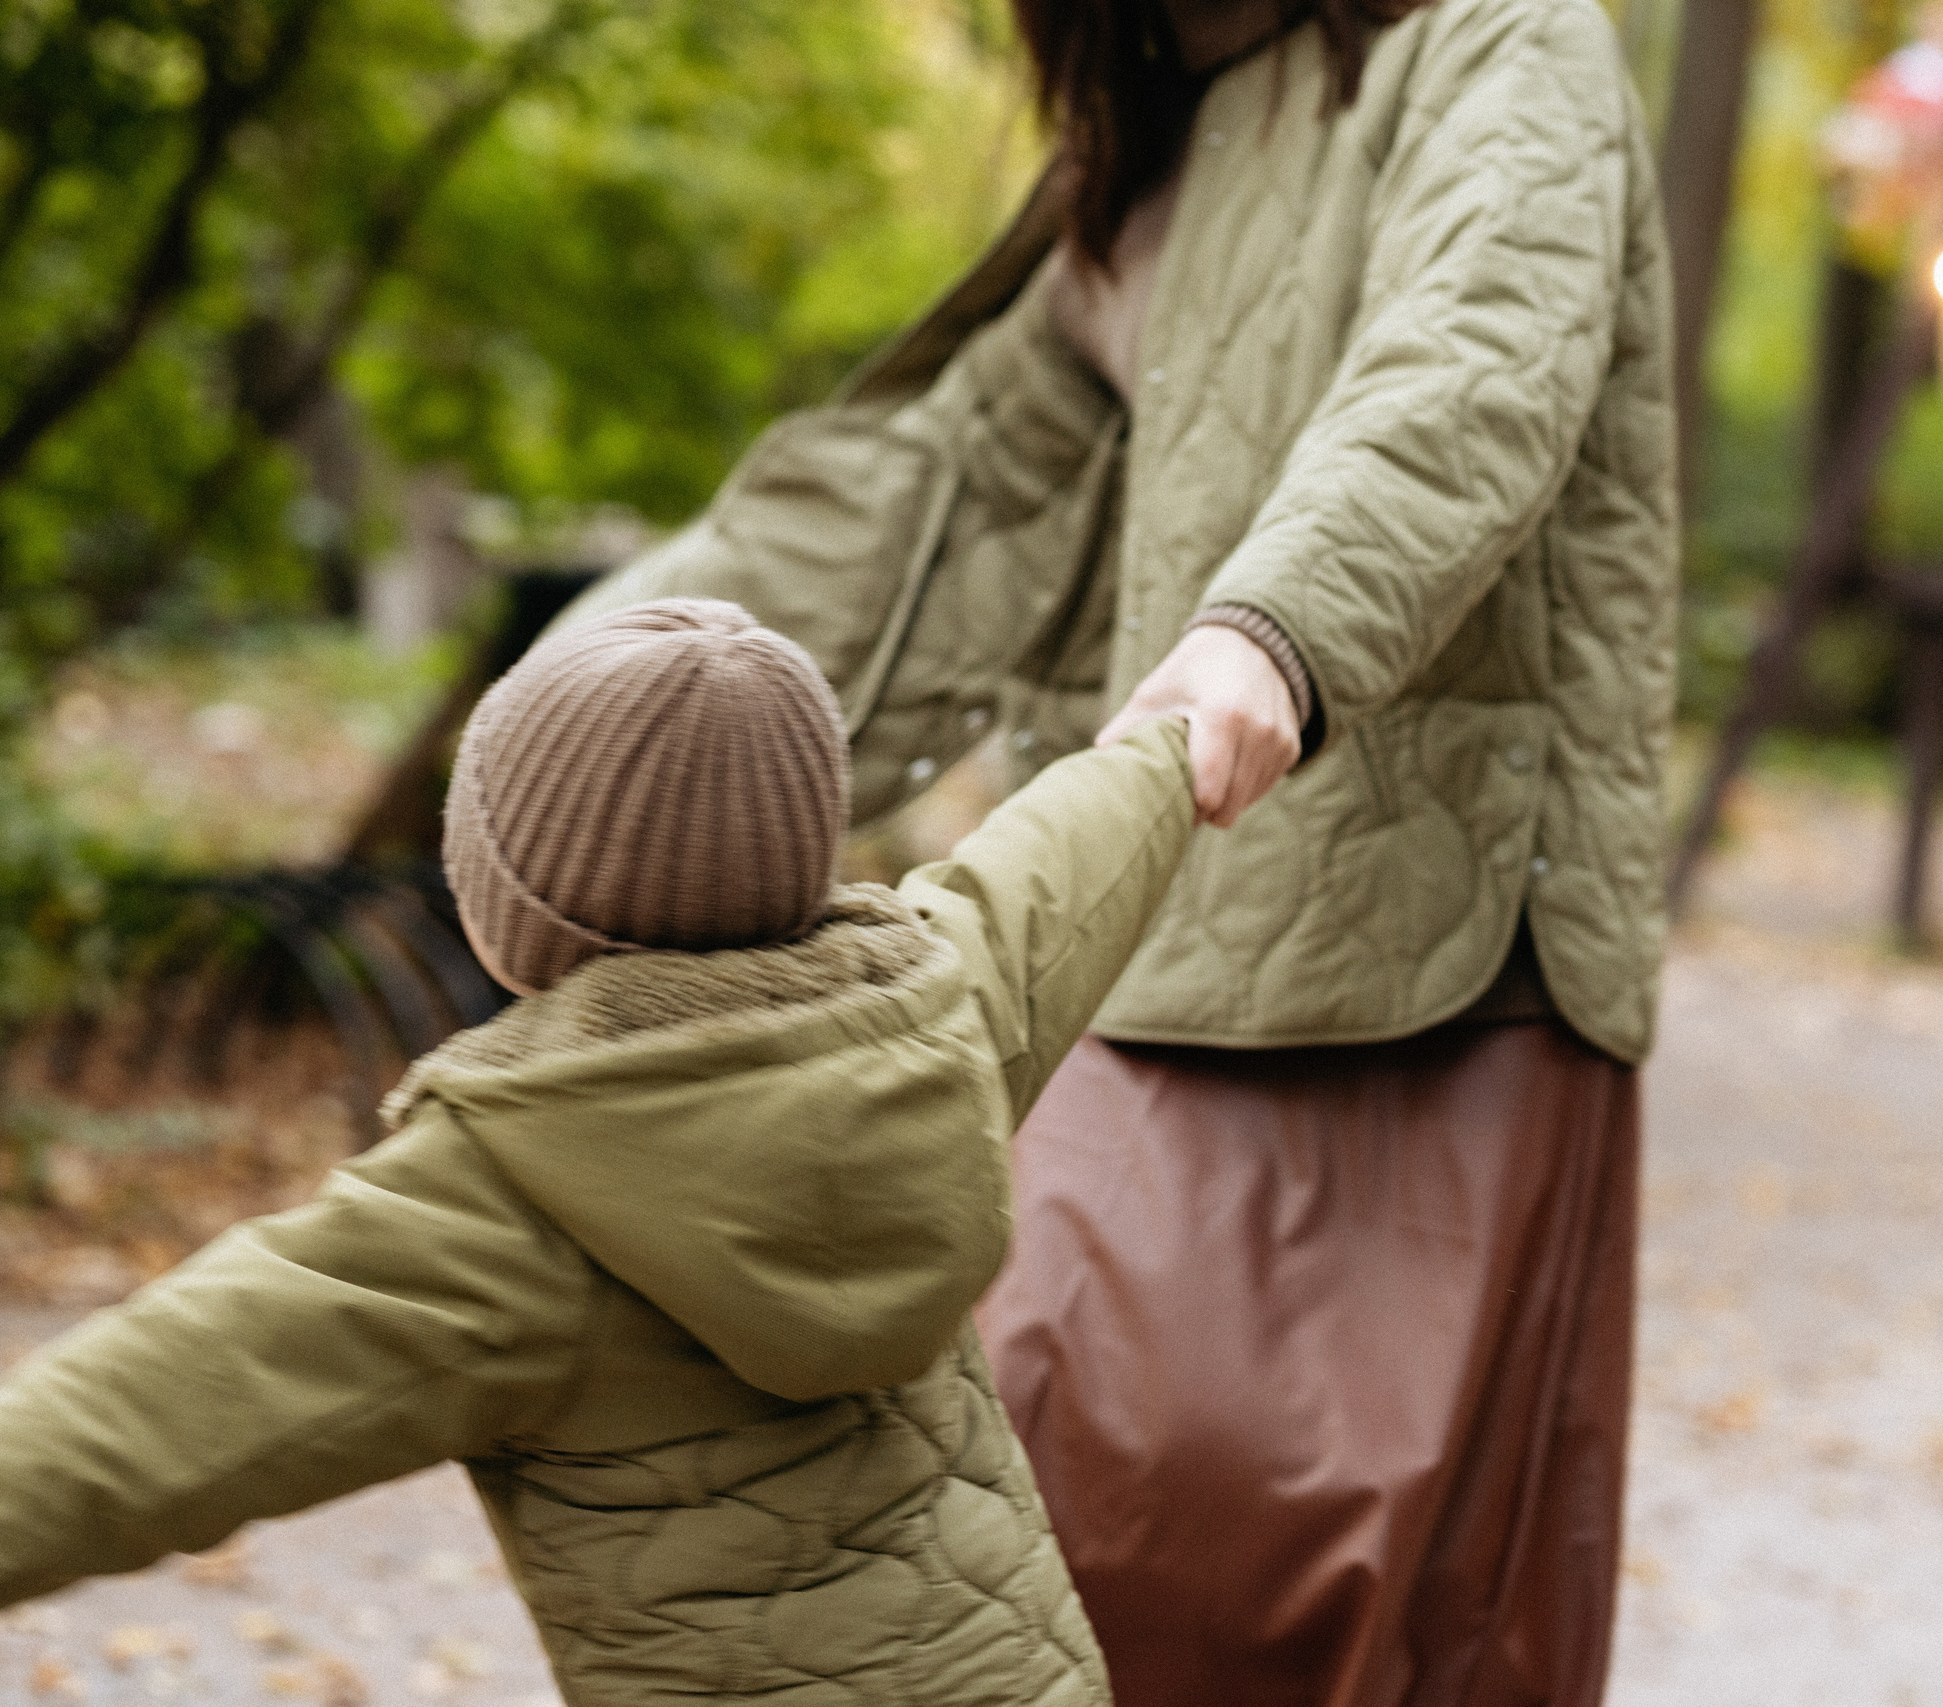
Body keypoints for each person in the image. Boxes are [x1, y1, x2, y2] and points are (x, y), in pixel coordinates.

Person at [564, 2, 1677, 1699]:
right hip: (1141, 944)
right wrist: (575, 719)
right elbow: (922, 502)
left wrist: (1276, 630)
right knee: (1008, 1519)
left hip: (1444, 979)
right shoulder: (1153, 141)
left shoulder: (1498, 36)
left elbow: (1473, 361)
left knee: (1354, 1597)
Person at [0, 598, 1204, 1707]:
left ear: (518, 903)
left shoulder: (513, 1197)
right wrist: (1192, 735)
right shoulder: (932, 1012)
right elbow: (1066, 862)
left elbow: (141, 1425)